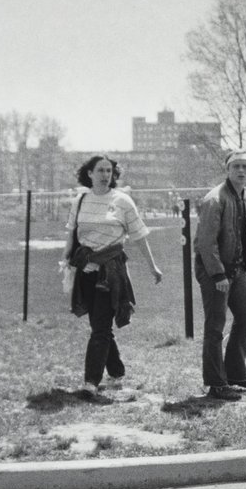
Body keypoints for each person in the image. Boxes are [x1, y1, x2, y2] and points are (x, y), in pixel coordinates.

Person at [63, 155, 163, 404]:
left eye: (109, 170)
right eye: (100, 170)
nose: (105, 175)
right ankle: (117, 371)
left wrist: (153, 267)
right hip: (86, 270)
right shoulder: (81, 199)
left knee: (100, 329)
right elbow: (72, 233)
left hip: (111, 273)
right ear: (89, 173)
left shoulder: (122, 201)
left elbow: (140, 236)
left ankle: (90, 383)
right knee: (99, 325)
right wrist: (67, 262)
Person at [195, 150, 246, 402]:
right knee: (215, 327)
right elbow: (205, 242)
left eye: (245, 166)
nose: (241, 170)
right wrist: (218, 274)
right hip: (216, 272)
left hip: (236, 270)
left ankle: (235, 373)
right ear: (227, 169)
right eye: (236, 166)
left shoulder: (241, 196)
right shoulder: (215, 199)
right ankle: (216, 383)